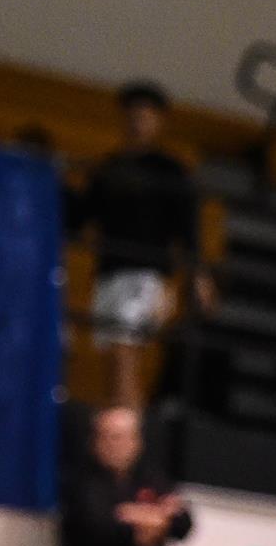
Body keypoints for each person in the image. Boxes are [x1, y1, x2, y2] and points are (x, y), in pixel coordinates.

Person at [73, 82, 207, 410]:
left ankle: (127, 438)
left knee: (125, 354)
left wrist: (196, 275)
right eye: (133, 115)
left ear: (158, 121)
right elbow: (80, 216)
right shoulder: (108, 168)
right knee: (113, 360)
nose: (138, 122)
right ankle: (119, 433)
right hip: (109, 274)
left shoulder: (170, 171)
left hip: (147, 275)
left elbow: (187, 227)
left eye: (146, 116)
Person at [60, 407, 200, 546]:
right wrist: (155, 520)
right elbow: (98, 527)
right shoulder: (81, 483)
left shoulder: (150, 478)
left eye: (124, 437)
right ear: (95, 440)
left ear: (137, 441)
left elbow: (183, 523)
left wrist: (144, 519)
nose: (116, 444)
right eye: (109, 437)